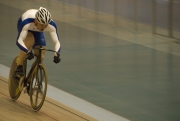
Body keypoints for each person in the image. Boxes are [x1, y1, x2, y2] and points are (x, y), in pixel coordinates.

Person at [15, 7, 61, 77]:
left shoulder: (51, 25)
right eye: (42, 24)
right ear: (36, 21)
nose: (43, 27)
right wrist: (27, 51)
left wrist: (56, 54)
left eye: (45, 25)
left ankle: (30, 79)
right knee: (30, 41)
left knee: (41, 55)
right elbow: (19, 40)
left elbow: (57, 42)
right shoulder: (26, 22)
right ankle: (19, 66)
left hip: (37, 30)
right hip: (26, 28)